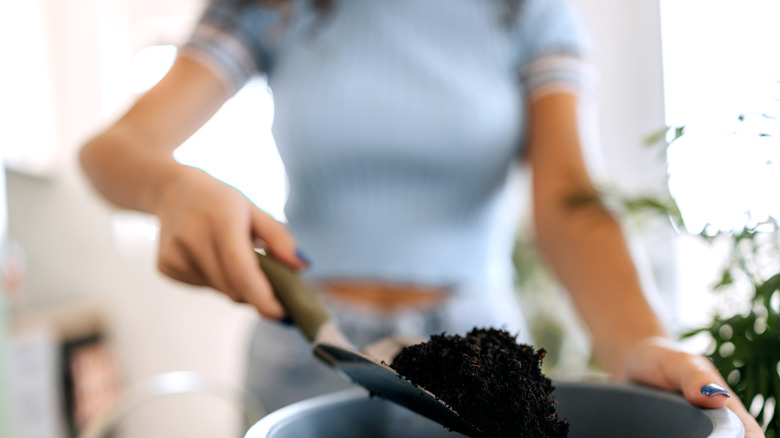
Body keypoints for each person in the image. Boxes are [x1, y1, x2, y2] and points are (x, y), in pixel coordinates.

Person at [79, 0, 762, 435]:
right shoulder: (274, 6)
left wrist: (639, 338)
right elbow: (114, 150)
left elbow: (568, 200)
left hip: (477, 369)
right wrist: (171, 187)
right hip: (305, 354)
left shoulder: (528, 11)